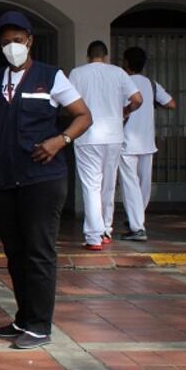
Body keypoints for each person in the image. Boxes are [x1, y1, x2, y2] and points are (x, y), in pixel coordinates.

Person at [0, 11, 91, 350]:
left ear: (29, 41)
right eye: (5, 42)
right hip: (3, 180)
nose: (12, 46)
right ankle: (24, 318)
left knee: (39, 251)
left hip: (41, 180)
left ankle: (40, 325)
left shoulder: (50, 77)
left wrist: (60, 140)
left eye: (17, 40)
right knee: (15, 252)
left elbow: (83, 116)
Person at [68, 41, 141, 250]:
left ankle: (93, 237)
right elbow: (137, 99)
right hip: (114, 135)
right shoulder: (118, 72)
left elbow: (67, 100)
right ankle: (106, 230)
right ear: (106, 56)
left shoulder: (77, 73)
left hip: (87, 135)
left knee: (91, 185)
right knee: (109, 185)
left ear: (88, 56)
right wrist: (126, 111)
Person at [118, 46, 175, 241]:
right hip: (147, 140)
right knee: (144, 185)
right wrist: (153, 104)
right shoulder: (151, 84)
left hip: (127, 141)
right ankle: (138, 219)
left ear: (126, 62)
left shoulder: (123, 82)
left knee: (130, 184)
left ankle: (137, 227)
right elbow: (171, 104)